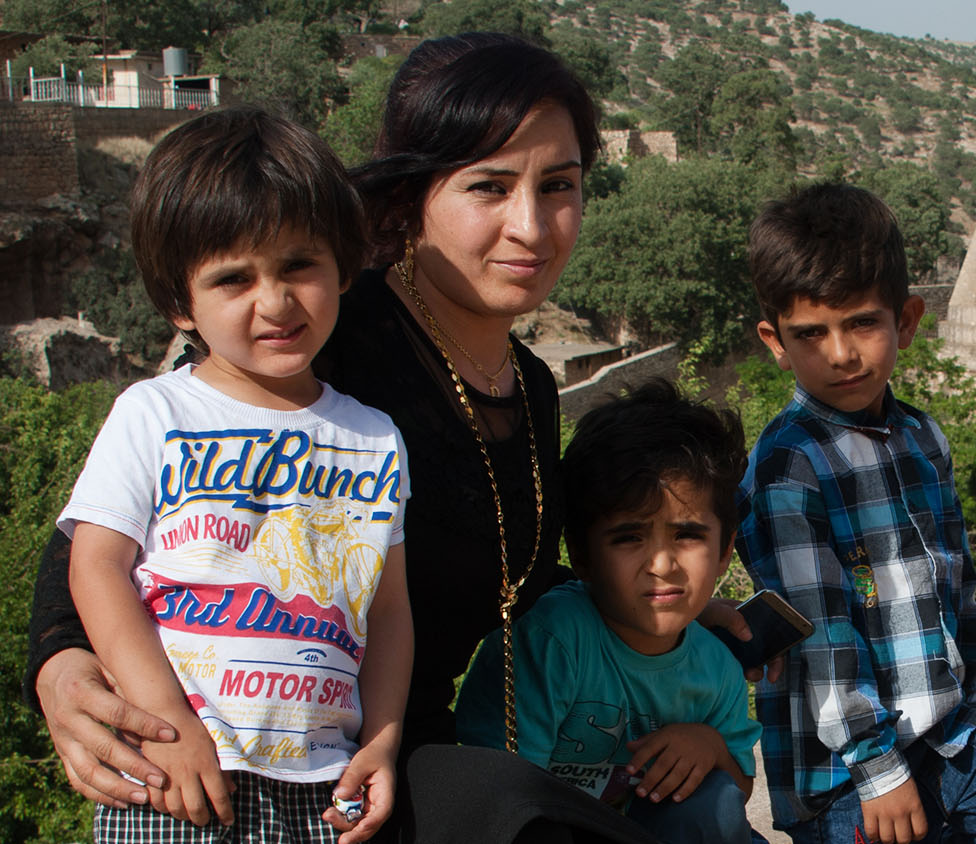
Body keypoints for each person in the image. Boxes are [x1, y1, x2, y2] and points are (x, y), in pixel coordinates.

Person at [26, 33, 719, 843]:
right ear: (413, 196)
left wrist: (685, 596)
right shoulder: (318, 333)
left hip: (389, 757)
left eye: (558, 186)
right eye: (489, 187)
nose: (531, 225)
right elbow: (114, 525)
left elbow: (511, 578)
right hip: (235, 755)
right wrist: (60, 665)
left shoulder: (528, 387)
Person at [61, 106, 412, 844]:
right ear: (177, 303)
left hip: (323, 780)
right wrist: (167, 724)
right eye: (232, 279)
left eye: (298, 266)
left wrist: (380, 739)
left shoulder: (374, 437)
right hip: (175, 775)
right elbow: (96, 569)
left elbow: (386, 610)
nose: (275, 302)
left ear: (343, 266)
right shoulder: (154, 412)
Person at [736, 183, 976, 844]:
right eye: (811, 334)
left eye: (862, 322)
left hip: (940, 728)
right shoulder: (791, 466)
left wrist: (975, 706)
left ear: (908, 320)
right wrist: (877, 768)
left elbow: (958, 587)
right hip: (842, 762)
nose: (840, 353)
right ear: (775, 341)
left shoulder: (922, 439)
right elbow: (822, 639)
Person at [455, 378, 761, 844]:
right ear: (581, 554)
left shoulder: (717, 668)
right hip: (539, 828)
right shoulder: (551, 643)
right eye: (629, 538)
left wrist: (710, 746)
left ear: (724, 552)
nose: (662, 565)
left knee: (714, 802)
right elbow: (503, 798)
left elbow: (738, 791)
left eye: (687, 535)